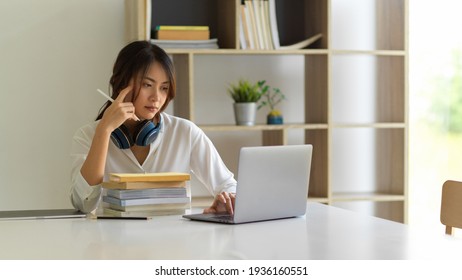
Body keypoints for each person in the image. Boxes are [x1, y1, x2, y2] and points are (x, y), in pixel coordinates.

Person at [70, 40, 236, 214]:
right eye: (147, 85)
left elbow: (228, 185)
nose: (156, 97)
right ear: (121, 83)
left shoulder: (185, 132)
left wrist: (227, 200)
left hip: (175, 239)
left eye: (164, 88)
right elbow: (84, 204)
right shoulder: (87, 135)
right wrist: (103, 132)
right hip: (113, 240)